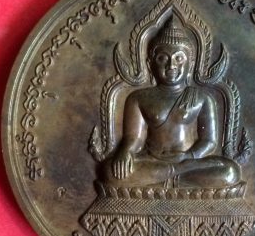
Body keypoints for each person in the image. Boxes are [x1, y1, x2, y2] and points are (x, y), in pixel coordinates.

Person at [102, 16, 240, 188]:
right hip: (152, 159)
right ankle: (176, 177)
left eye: (179, 58)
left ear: (190, 64)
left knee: (230, 171)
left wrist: (188, 156)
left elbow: (209, 142)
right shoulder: (138, 97)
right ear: (150, 64)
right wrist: (125, 152)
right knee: (109, 171)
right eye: (162, 58)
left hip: (188, 161)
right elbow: (135, 138)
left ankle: (164, 179)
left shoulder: (203, 98)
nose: (171, 66)